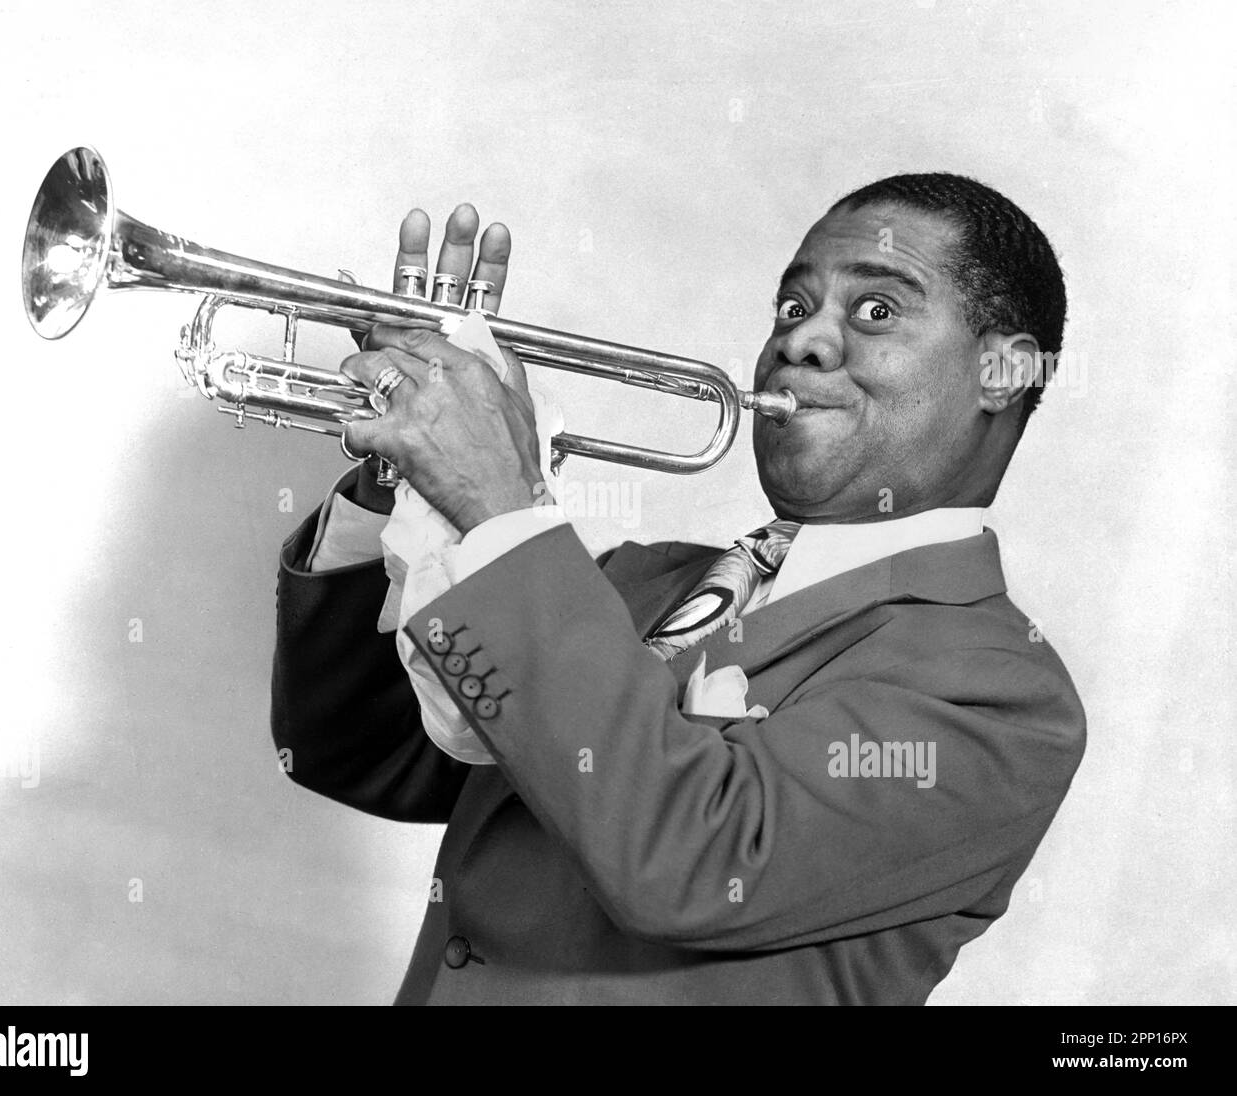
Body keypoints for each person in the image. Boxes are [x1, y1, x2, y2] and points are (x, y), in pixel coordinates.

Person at [270, 174, 1086, 1005]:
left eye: (876, 311)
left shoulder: (1003, 697)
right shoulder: (638, 581)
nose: (802, 344)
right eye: (794, 310)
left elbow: (691, 862)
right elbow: (356, 750)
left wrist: (498, 498)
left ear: (1003, 370)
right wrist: (404, 468)